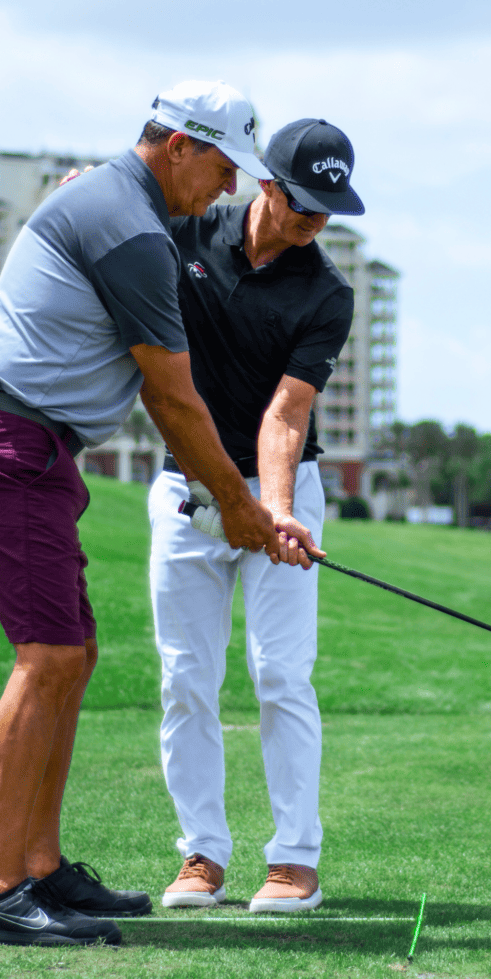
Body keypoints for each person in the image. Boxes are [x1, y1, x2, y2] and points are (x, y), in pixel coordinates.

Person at [0, 80, 308, 946]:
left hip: (28, 445)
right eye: (223, 167)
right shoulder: (132, 229)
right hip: (6, 442)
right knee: (50, 656)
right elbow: (173, 401)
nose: (229, 189)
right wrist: (242, 507)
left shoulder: (119, 199)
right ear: (177, 145)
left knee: (73, 654)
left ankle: (40, 868)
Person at [148, 118, 364, 913]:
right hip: (185, 490)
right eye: (304, 203)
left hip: (282, 494)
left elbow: (287, 413)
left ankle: (294, 860)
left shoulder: (326, 294)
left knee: (280, 675)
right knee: (185, 677)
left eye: (328, 208)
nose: (316, 222)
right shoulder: (183, 232)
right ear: (265, 184)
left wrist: (272, 512)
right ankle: (202, 854)